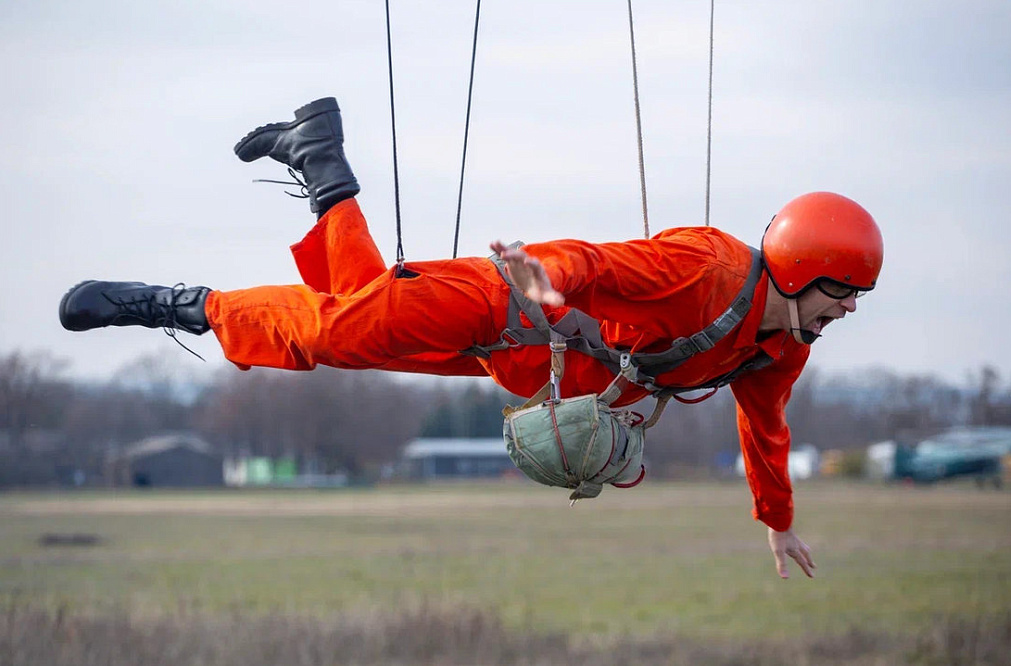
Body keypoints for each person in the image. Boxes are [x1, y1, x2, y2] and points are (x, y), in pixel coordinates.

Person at [59, 96, 884, 580]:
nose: (845, 311)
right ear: (805, 269)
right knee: (342, 334)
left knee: (356, 314)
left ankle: (316, 161)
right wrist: (542, 281)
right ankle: (176, 304)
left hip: (514, 355)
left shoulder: (778, 350)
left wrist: (775, 519)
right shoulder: (707, 268)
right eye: (842, 295)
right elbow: (597, 262)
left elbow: (765, 430)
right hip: (503, 302)